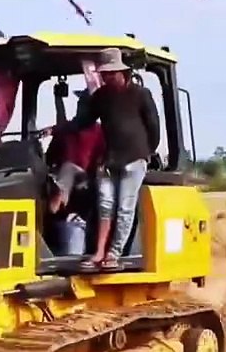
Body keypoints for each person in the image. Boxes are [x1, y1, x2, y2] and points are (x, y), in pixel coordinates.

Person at [53, 47, 160, 269]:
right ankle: (99, 251)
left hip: (134, 159)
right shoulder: (101, 97)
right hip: (110, 159)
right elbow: (83, 121)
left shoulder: (141, 95)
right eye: (104, 74)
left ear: (123, 72)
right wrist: (59, 128)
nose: (107, 77)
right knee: (105, 205)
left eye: (111, 73)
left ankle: (114, 253)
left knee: (125, 208)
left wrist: (145, 153)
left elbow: (154, 127)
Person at [44, 89, 105, 255]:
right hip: (64, 180)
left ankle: (57, 201)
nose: (80, 107)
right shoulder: (65, 130)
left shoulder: (100, 133)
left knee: (69, 168)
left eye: (85, 104)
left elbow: (103, 163)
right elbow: (49, 158)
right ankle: (55, 204)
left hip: (87, 182)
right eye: (79, 103)